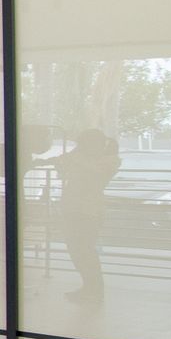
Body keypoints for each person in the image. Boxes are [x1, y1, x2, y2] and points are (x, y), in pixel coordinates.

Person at [49, 128, 121, 303]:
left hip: (89, 211)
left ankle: (95, 289)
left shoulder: (110, 161)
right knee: (76, 251)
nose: (79, 148)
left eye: (82, 145)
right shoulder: (80, 158)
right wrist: (59, 164)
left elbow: (93, 172)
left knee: (86, 250)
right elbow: (69, 172)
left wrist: (73, 158)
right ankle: (88, 287)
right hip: (71, 209)